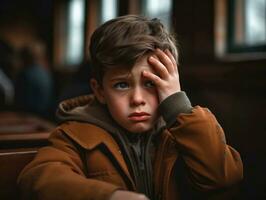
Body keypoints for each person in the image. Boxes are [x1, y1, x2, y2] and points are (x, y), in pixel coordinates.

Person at [17, 15, 243, 200]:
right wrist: (109, 196)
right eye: (122, 85)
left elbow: (222, 178)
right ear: (100, 91)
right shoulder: (74, 136)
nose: (137, 99)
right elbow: (39, 177)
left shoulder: (180, 133)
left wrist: (178, 106)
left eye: (151, 84)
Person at [14, 41, 53, 118]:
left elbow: (20, 102)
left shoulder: (24, 74)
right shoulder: (46, 72)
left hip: (29, 116)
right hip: (45, 115)